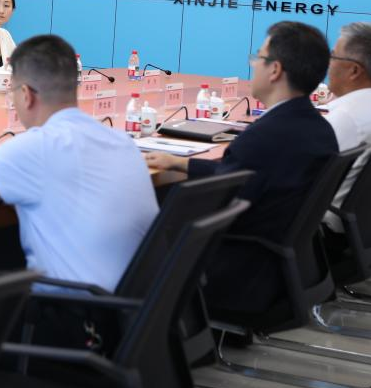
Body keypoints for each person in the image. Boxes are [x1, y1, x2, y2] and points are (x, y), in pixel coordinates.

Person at [0, 34, 158, 320]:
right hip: (135, 313)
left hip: (75, 319)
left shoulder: (35, 147)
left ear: (26, 95)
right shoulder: (120, 140)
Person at [145, 21, 338, 314]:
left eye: (258, 57)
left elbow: (222, 194)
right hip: (282, 269)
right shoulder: (317, 128)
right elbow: (243, 175)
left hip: (236, 273)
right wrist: (180, 163)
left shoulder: (264, 136)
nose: (253, 65)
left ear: (275, 70)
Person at [320, 22, 371, 236]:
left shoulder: (347, 119)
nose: (328, 64)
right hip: (353, 225)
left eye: (333, 57)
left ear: (354, 70)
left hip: (320, 228)